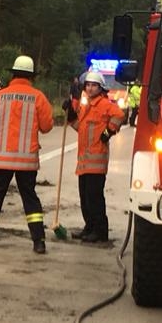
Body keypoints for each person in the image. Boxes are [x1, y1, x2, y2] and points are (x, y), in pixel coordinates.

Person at [0, 55, 53, 254]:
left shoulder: (0, 96)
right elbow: (47, 126)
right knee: (30, 198)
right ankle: (39, 242)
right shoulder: (38, 97)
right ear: (31, 76)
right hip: (26, 162)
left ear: (13, 74)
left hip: (1, 160)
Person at [71, 70, 124, 244]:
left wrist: (109, 131)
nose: (90, 88)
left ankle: (100, 231)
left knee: (94, 198)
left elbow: (119, 115)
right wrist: (70, 116)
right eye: (88, 85)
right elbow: (80, 128)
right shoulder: (86, 106)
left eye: (94, 85)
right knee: (85, 198)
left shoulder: (104, 104)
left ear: (101, 88)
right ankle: (89, 227)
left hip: (97, 161)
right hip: (84, 161)